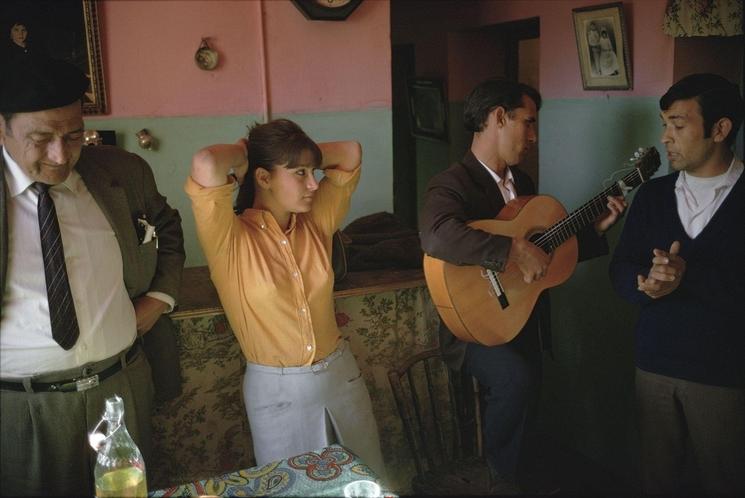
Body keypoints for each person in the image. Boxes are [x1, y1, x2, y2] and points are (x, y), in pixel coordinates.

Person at [419, 78, 626, 493]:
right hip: (472, 329)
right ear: (498, 117)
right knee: (517, 379)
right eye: (527, 123)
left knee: (532, 388)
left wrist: (593, 233)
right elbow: (438, 236)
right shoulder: (452, 184)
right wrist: (512, 249)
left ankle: (520, 473)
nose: (533, 137)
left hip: (521, 315)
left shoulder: (524, 185)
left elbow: (542, 254)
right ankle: (501, 479)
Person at [0, 55, 185, 496]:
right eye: (41, 139)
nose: (61, 155)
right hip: (20, 407)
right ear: (2, 128)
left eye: (73, 135)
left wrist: (159, 297)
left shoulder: (121, 172)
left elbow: (169, 228)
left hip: (120, 389)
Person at [185, 119, 385, 477]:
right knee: (290, 488)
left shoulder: (315, 222)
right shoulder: (228, 240)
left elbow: (350, 152)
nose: (313, 183)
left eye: (313, 171)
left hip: (341, 377)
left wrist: (295, 154)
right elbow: (206, 163)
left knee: (366, 481)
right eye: (299, 173)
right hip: (277, 394)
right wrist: (247, 154)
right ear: (263, 178)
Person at [609, 73, 745, 495]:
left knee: (724, 481)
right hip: (653, 364)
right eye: (665, 124)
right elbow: (620, 269)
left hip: (723, 374)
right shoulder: (652, 195)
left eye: (678, 125)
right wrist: (645, 283)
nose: (665, 138)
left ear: (720, 129)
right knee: (657, 480)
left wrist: (688, 276)